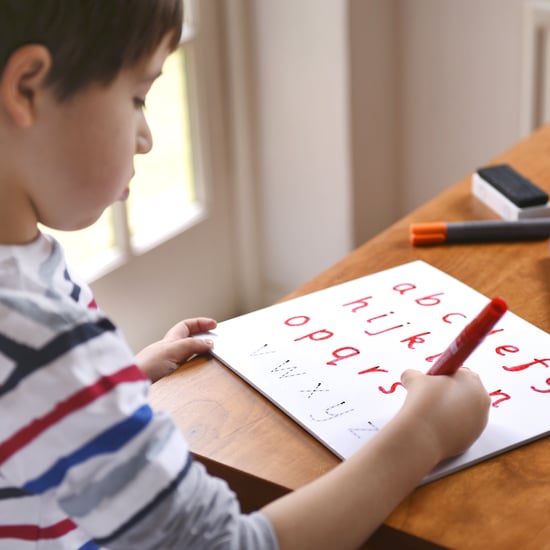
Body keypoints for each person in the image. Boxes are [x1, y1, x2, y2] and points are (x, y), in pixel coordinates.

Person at [0, 1, 490, 548]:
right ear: (27, 89)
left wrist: (115, 385)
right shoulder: (39, 339)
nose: (146, 138)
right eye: (136, 97)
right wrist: (421, 435)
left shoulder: (29, 278)